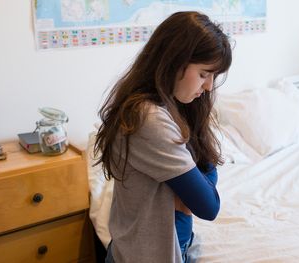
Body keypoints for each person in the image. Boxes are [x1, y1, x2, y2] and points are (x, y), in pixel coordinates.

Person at [94, 11, 232, 263]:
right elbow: (208, 206)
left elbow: (199, 185)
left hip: (163, 245)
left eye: (213, 77)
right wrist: (197, 183)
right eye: (203, 74)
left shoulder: (168, 104)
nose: (209, 86)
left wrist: (190, 189)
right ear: (174, 62)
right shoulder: (149, 120)